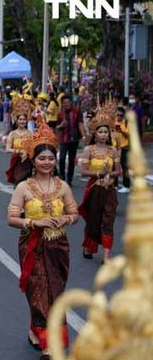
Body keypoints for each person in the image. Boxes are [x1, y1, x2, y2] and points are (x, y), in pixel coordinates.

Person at [7, 118, 79, 360]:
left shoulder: (63, 187)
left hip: (58, 246)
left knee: (54, 292)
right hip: (33, 245)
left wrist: (66, 220)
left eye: (50, 158)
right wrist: (34, 223)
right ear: (33, 160)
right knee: (38, 291)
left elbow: (75, 213)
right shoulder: (23, 187)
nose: (47, 163)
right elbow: (12, 218)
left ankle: (35, 329)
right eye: (42, 158)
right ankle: (50, 345)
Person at [78, 100, 120, 263]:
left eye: (106, 132)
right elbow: (83, 171)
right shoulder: (89, 150)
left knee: (108, 221)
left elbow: (119, 171)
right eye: (100, 132)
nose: (103, 135)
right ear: (95, 133)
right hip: (94, 189)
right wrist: (98, 173)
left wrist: (111, 174)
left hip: (109, 190)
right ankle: (88, 245)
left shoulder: (113, 150)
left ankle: (106, 256)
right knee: (93, 220)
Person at [56, 95, 86, 186]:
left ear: (71, 103)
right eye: (64, 103)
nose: (67, 104)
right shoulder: (60, 114)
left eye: (68, 102)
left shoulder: (76, 112)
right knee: (61, 158)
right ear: (62, 104)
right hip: (63, 139)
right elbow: (56, 127)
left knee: (72, 160)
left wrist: (83, 135)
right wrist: (61, 125)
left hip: (74, 139)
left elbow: (80, 123)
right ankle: (62, 178)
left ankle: (69, 180)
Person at [5, 96, 33, 185]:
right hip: (16, 162)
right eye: (20, 119)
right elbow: (8, 149)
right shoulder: (12, 134)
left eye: (24, 119)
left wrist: (27, 152)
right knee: (18, 183)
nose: (22, 121)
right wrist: (20, 151)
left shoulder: (30, 134)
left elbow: (33, 148)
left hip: (28, 162)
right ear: (17, 121)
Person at [115, 107, 130, 193]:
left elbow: (129, 135)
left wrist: (122, 131)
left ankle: (126, 186)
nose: (119, 117)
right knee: (115, 167)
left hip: (124, 148)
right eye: (117, 115)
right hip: (115, 148)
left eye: (121, 115)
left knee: (125, 167)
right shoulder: (113, 122)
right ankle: (115, 185)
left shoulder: (126, 123)